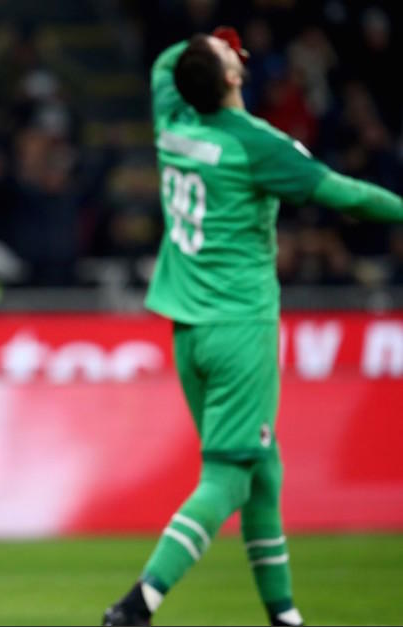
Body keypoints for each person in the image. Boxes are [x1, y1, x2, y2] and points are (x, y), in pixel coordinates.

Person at [102, 28, 403, 627]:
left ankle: (284, 616)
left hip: (188, 329)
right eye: (220, 52)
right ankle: (138, 604)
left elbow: (168, 62)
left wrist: (201, 48)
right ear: (234, 78)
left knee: (263, 471)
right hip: (241, 328)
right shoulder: (260, 145)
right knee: (226, 478)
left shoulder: (173, 119)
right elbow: (349, 196)